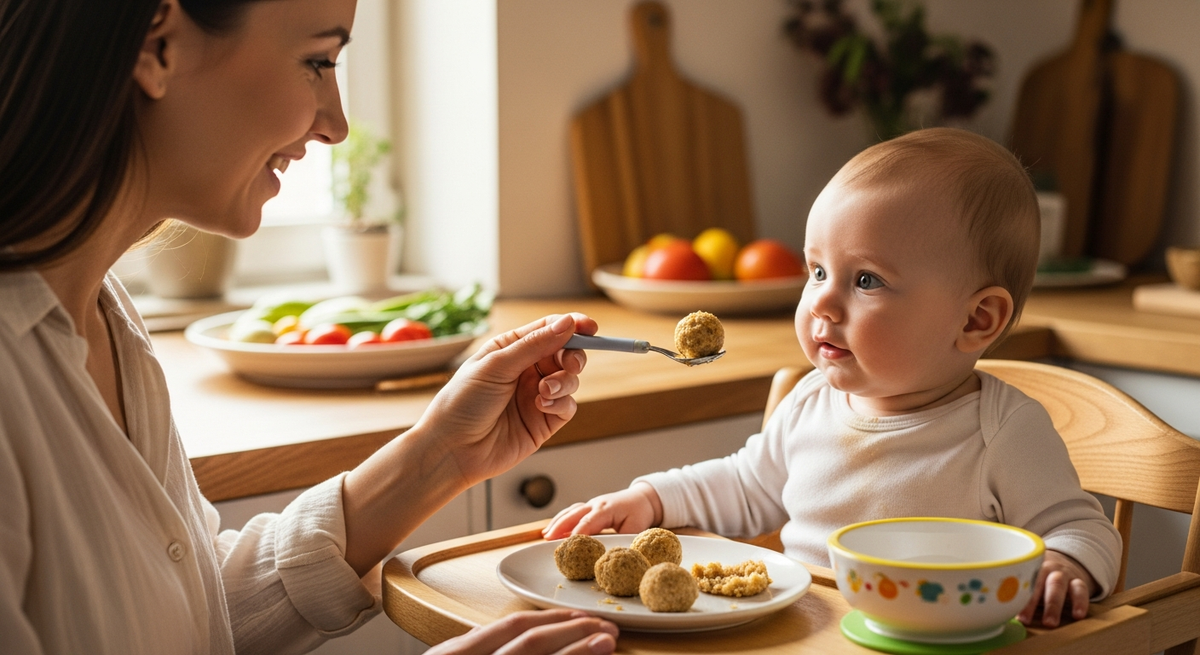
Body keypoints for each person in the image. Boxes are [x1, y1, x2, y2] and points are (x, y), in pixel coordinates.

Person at [0, 0, 618, 653]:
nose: (337, 125)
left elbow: (185, 618)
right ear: (159, 48)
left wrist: (439, 455)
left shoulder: (102, 312)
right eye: (317, 61)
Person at [544, 128, 1122, 629]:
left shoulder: (1002, 432)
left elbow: (1083, 529)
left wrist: (1064, 564)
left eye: (866, 280)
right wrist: (650, 499)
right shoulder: (811, 402)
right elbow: (746, 486)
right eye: (817, 270)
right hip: (801, 634)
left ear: (976, 319)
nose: (822, 301)